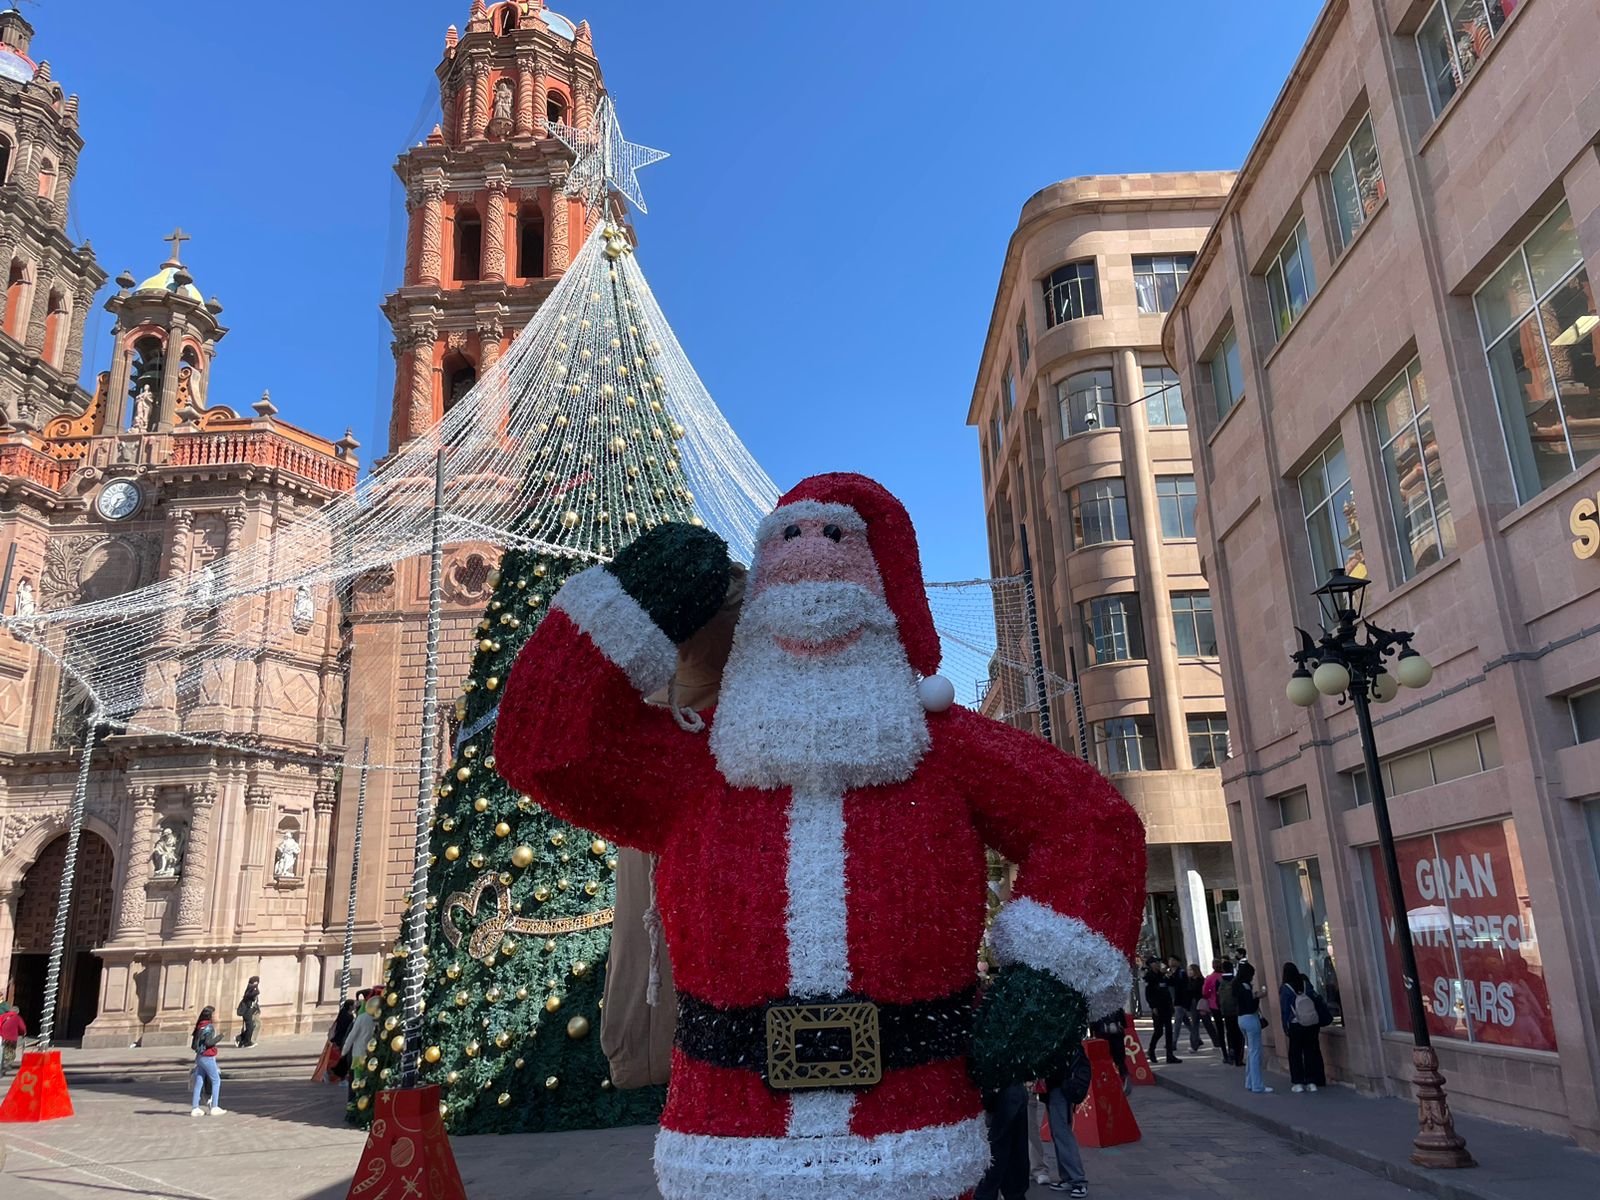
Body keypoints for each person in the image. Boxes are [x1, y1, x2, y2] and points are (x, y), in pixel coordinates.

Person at [493, 475, 1150, 1200]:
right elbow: (544, 745)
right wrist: (629, 601)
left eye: (837, 539)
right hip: (729, 1142)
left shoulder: (942, 752)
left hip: (917, 1134)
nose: (811, 555)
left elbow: (1088, 823)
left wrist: (1051, 979)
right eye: (788, 540)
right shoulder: (695, 768)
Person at [1043, 1046, 1092, 1197]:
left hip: (1060, 1087)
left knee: (1062, 1133)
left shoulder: (1061, 1035)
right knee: (1058, 1133)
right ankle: (1068, 1177)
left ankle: (1078, 1179)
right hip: (1056, 1087)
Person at [1282, 964, 1328, 1093]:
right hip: (1311, 1024)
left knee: (1295, 1053)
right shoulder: (1305, 984)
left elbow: (1285, 1010)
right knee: (1310, 1051)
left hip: (1296, 1024)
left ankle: (1298, 1082)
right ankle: (1311, 1081)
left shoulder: (1285, 988)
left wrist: (1285, 1026)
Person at [1233, 961, 1271, 1094]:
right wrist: (1258, 997)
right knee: (1255, 1052)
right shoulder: (1246, 987)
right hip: (1250, 1018)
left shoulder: (1237, 986)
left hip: (1241, 1019)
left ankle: (1250, 1082)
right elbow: (1251, 1005)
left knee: (1250, 1052)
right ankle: (1257, 1085)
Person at [342, 992, 380, 1102]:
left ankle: (356, 1101)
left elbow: (351, 1035)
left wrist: (344, 1050)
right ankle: (365, 1100)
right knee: (367, 1078)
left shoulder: (361, 1018)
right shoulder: (377, 1018)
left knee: (356, 1079)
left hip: (358, 1053)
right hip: (371, 1054)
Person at [190, 1005, 226, 1116]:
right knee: (216, 1080)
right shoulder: (209, 1027)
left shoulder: (200, 1026)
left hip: (199, 1056)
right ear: (210, 1015)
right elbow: (209, 1043)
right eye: (214, 1014)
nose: (215, 1016)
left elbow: (194, 1045)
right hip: (207, 1056)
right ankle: (214, 1106)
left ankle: (195, 1107)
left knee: (199, 1081)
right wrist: (220, 1037)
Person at [1143, 956, 1179, 1064]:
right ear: (1151, 965)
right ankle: (1151, 1050)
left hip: (1166, 1006)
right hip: (1158, 1007)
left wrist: (1168, 974)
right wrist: (1153, 1006)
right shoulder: (1149, 977)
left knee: (1169, 1031)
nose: (1158, 965)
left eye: (1158, 963)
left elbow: (1172, 983)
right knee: (1158, 1031)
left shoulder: (1162, 975)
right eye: (1155, 963)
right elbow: (1148, 994)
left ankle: (1170, 1055)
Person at [1171, 956, 1202, 1055]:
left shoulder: (1181, 973)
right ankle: (1197, 1039)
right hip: (1180, 1001)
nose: (1170, 962)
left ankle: (1173, 1042)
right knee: (1187, 1022)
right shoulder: (1174, 973)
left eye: (1173, 960)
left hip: (1182, 1002)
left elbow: (1183, 989)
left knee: (1178, 1023)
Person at [1217, 958, 1244, 1067]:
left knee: (1229, 1032)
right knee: (1238, 1034)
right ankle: (1238, 1057)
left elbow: (1216, 996)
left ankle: (1231, 1051)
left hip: (1225, 1011)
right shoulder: (1235, 980)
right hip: (1236, 1011)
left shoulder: (1219, 981)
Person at [0, 1001, 25, 1077]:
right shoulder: (17, 1018)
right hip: (11, 1037)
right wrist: (23, 1033)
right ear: (17, 1012)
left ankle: (2, 1063)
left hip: (2, 1036)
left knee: (2, 1050)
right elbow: (22, 1028)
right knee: (10, 1051)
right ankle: (7, 1065)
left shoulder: (3, 1016)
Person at [235, 976, 261, 1047]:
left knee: (255, 1025)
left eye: (257, 982)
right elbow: (251, 994)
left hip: (253, 1010)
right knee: (250, 1027)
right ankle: (246, 1040)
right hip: (248, 1011)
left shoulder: (254, 988)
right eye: (255, 982)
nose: (257, 983)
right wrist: (254, 987)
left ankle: (244, 1039)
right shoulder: (250, 988)